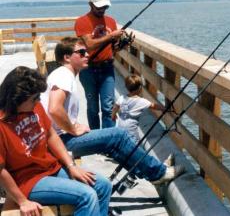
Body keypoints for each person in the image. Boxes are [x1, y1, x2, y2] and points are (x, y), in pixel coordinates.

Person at [40, 37, 184, 186]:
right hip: (58, 143)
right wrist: (73, 129)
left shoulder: (63, 74)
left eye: (87, 52)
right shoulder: (63, 75)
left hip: (56, 140)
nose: (87, 55)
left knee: (114, 143)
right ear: (67, 57)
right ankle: (159, 173)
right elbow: (54, 109)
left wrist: (74, 126)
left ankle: (154, 170)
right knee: (118, 135)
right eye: (81, 52)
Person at [0, 66, 111, 216]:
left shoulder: (35, 107)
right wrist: (22, 201)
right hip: (27, 181)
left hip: (51, 167)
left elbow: (51, 135)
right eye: (34, 98)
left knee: (103, 186)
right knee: (87, 195)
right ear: (17, 98)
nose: (39, 101)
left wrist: (71, 166)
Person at [74, 0, 124, 129]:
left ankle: (108, 139)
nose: (103, 9)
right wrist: (110, 36)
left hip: (107, 68)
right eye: (99, 6)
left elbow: (114, 47)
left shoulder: (111, 21)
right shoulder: (82, 22)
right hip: (88, 69)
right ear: (91, 4)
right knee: (93, 108)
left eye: (105, 6)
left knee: (108, 107)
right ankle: (96, 138)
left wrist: (121, 44)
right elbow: (89, 45)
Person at [112, 74, 164, 144]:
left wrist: (113, 115)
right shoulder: (142, 101)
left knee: (122, 144)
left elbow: (115, 107)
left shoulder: (122, 98)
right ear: (140, 88)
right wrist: (164, 108)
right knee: (135, 145)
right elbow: (154, 106)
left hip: (120, 128)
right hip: (131, 131)